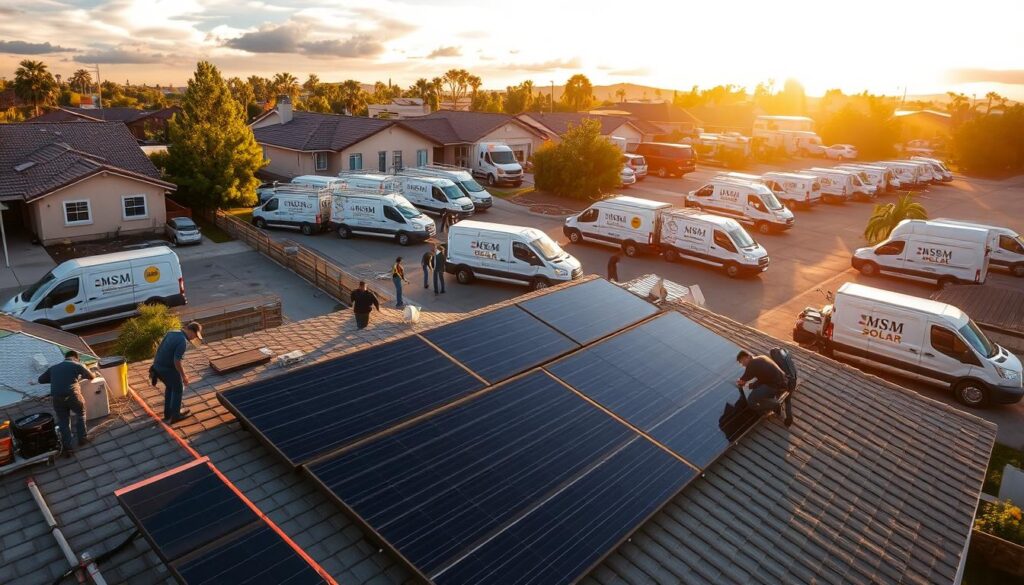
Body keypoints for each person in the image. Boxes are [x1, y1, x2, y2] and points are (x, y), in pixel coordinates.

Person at [38, 350, 95, 456]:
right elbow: (91, 376)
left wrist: (56, 379)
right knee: (80, 413)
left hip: (57, 398)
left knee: (63, 421)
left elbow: (41, 380)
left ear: (65, 357)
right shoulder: (77, 364)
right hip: (72, 395)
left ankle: (68, 448)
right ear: (76, 358)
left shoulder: (54, 368)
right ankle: (82, 438)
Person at [152, 321, 203, 424]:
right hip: (167, 368)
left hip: (157, 366)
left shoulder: (172, 332)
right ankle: (175, 415)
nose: (194, 338)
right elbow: (177, 361)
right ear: (190, 331)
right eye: (195, 335)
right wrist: (184, 376)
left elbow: (160, 348)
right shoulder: (182, 342)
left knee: (170, 387)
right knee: (178, 387)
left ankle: (168, 414)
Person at [735, 350, 793, 426]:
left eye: (742, 361)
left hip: (775, 386)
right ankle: (773, 405)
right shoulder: (761, 357)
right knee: (759, 392)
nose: (742, 364)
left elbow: (744, 379)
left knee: (751, 400)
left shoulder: (752, 363)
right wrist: (751, 385)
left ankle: (775, 405)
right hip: (783, 382)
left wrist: (740, 382)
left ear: (748, 356)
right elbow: (763, 379)